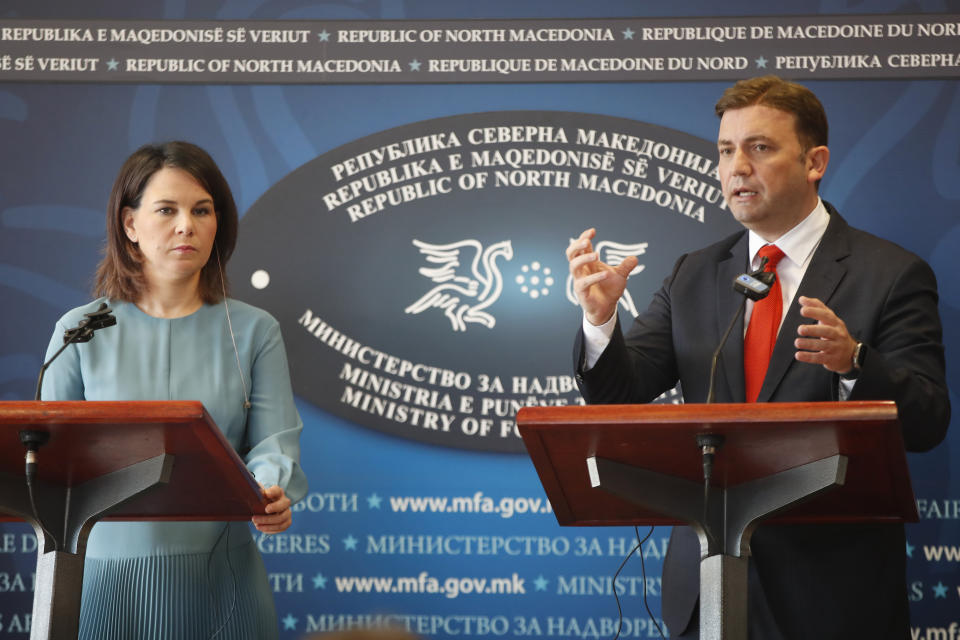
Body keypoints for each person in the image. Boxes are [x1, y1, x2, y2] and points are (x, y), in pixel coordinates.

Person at [567, 76, 949, 639]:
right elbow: (622, 394)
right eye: (726, 150)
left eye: (759, 148)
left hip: (830, 589)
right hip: (707, 580)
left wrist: (855, 363)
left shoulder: (890, 273)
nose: (736, 167)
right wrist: (601, 321)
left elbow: (928, 421)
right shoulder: (693, 273)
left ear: (814, 161)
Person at [41, 141, 308, 639]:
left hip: (221, 581)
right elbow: (48, 458)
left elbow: (274, 443)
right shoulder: (79, 331)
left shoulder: (255, 330)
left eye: (202, 210)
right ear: (130, 225)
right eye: (167, 209)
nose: (186, 224)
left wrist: (269, 488)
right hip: (99, 580)